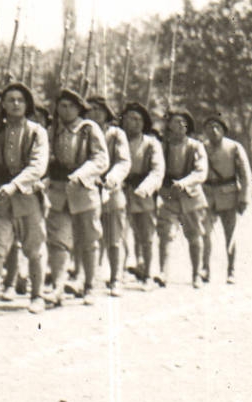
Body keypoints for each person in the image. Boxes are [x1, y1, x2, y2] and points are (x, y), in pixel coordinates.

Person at [0, 82, 50, 313]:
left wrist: (15, 185)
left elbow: (38, 166)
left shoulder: (36, 131)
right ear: (3, 105)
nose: (15, 104)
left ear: (27, 104)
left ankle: (37, 295)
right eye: (10, 100)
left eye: (20, 100)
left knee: (34, 247)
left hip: (27, 196)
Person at [43, 88, 108, 306]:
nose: (66, 110)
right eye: (62, 105)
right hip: (59, 192)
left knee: (89, 240)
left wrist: (82, 174)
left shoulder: (89, 129)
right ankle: (58, 287)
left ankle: (89, 285)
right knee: (58, 241)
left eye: (71, 106)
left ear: (79, 108)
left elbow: (101, 159)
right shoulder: (53, 130)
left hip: (84, 191)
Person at [155, 110, 209, 288]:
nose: (179, 125)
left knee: (194, 236)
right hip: (169, 196)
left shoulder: (195, 146)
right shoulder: (163, 146)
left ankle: (196, 274)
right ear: (169, 125)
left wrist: (185, 183)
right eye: (176, 122)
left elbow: (200, 171)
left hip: (191, 196)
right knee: (165, 235)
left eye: (183, 123)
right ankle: (163, 272)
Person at [86, 97, 132, 296]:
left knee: (114, 238)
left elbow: (123, 162)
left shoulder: (115, 134)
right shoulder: (83, 132)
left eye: (98, 109)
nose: (94, 113)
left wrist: (112, 179)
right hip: (86, 190)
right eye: (90, 109)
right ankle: (87, 279)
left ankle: (116, 278)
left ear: (106, 113)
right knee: (88, 238)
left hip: (111, 191)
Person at [200, 114, 252, 284]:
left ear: (223, 130)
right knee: (205, 234)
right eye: (210, 127)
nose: (213, 131)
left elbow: (245, 175)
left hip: (229, 196)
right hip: (207, 196)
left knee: (230, 235)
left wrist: (244, 198)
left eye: (217, 127)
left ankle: (231, 271)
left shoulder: (234, 147)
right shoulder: (201, 148)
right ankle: (205, 269)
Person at [119, 103, 165, 285]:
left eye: (139, 119)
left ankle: (147, 272)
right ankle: (119, 272)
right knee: (119, 234)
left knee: (146, 234)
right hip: (120, 190)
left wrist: (147, 187)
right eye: (131, 118)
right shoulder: (116, 140)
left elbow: (157, 169)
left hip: (142, 192)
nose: (135, 123)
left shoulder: (151, 143)